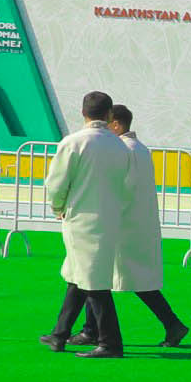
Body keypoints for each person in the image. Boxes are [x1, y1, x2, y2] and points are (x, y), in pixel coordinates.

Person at [40, 91, 133, 359]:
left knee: (92, 281)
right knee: (78, 275)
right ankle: (59, 334)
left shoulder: (74, 142)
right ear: (109, 114)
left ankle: (111, 343)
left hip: (81, 218)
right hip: (109, 217)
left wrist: (57, 207)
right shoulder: (119, 146)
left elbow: (56, 183)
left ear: (83, 113)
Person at [104, 106, 190, 346]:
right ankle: (172, 324)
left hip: (125, 224)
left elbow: (122, 187)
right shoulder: (139, 148)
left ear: (117, 125)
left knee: (103, 280)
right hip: (136, 222)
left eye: (107, 123)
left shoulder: (125, 150)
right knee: (124, 279)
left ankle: (172, 324)